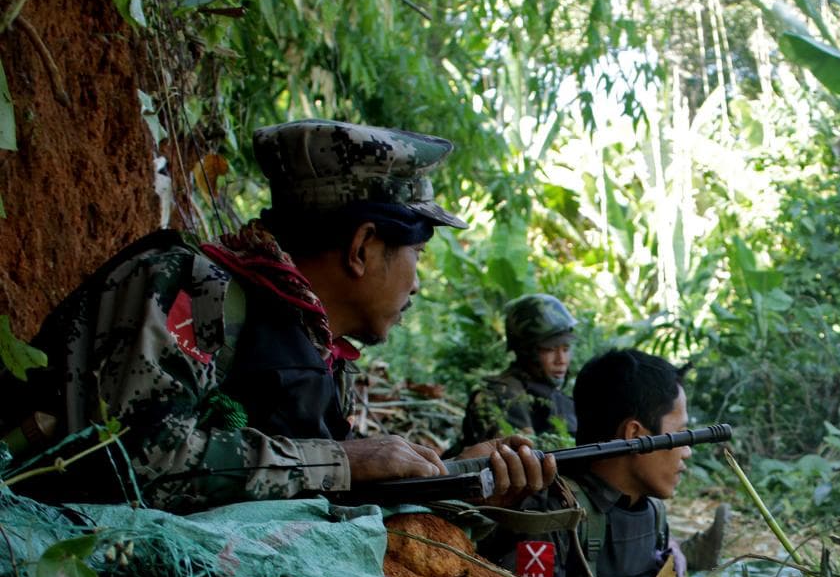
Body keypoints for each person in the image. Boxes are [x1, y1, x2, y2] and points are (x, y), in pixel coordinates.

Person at [6, 119, 553, 511]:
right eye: (418, 255)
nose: (418, 282)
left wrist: (453, 476)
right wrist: (342, 460)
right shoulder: (190, 287)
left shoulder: (316, 348)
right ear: (362, 247)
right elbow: (133, 461)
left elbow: (295, 489)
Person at [493, 348, 727, 577]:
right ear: (635, 434)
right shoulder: (552, 517)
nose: (687, 450)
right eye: (679, 434)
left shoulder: (651, 510)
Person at [459, 293, 579, 445]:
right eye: (549, 350)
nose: (561, 360)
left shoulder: (561, 392)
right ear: (526, 352)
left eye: (566, 348)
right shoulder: (503, 395)